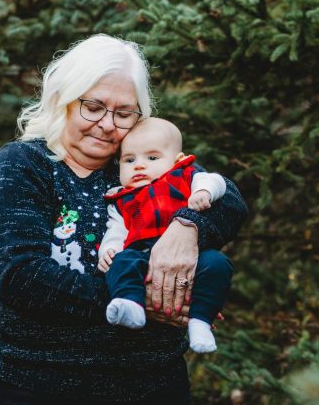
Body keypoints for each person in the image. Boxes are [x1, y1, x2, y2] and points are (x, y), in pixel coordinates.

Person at [0, 33, 247, 405]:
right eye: (93, 106)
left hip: (156, 396)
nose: (107, 124)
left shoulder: (136, 165)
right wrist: (140, 299)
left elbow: (228, 198)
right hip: (51, 401)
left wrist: (186, 227)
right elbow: (20, 276)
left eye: (124, 113)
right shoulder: (23, 166)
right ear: (62, 99)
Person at [99, 117, 233, 354]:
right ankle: (131, 304)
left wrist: (204, 191)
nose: (139, 165)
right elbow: (116, 229)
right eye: (129, 160)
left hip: (190, 255)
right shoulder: (121, 198)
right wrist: (109, 249)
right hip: (139, 252)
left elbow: (216, 181)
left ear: (177, 160)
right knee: (122, 263)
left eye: (152, 158)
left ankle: (200, 322)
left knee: (218, 264)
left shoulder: (184, 176)